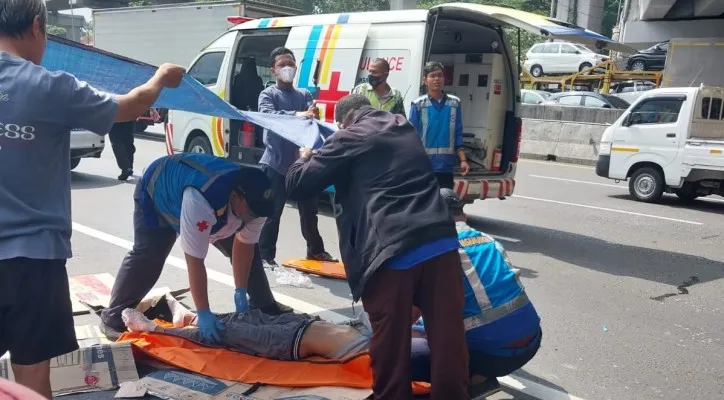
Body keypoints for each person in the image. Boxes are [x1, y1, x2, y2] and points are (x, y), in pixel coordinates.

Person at [0, 0, 186, 397]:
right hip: (32, 260)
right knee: (32, 372)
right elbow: (132, 105)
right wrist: (161, 77)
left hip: (30, 255)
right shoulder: (49, 85)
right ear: (36, 26)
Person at [285, 94, 469, 400]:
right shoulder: (404, 126)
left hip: (393, 252)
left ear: (345, 120)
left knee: (391, 348)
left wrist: (304, 155)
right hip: (441, 242)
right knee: (449, 339)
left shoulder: (349, 136)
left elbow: (298, 184)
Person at [100, 153, 293, 342]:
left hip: (216, 208)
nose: (254, 217)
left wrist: (240, 291)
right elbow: (195, 261)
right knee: (150, 255)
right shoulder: (202, 200)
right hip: (159, 191)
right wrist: (203, 312)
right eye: (251, 211)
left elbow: (245, 248)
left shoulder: (257, 205)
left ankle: (263, 306)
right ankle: (113, 317)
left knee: (252, 258)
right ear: (235, 196)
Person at [410, 188, 542, 392]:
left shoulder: (438, 251)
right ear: (464, 215)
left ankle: (469, 381)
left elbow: (409, 316)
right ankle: (480, 376)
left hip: (491, 354)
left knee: (397, 352)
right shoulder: (489, 240)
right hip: (532, 342)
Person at [257, 46, 337, 269]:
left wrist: (312, 114)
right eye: (282, 65)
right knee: (272, 213)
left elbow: (311, 122)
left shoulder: (304, 95)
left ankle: (316, 251)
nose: (287, 68)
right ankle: (265, 255)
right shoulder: (268, 94)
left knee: (309, 212)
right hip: (276, 163)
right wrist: (296, 114)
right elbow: (267, 116)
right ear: (273, 71)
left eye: (291, 64)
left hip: (303, 165)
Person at [409, 61, 470, 189]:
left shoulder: (454, 103)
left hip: (446, 166)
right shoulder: (419, 105)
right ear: (425, 80)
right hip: (424, 166)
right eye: (432, 76)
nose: (436, 79)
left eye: (440, 75)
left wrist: (463, 160)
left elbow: (457, 132)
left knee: (445, 202)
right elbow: (411, 136)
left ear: (444, 79)